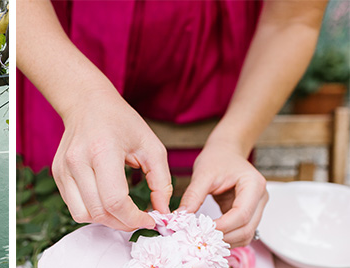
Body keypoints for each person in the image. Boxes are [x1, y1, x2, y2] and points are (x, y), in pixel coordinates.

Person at [17, 0, 328, 247]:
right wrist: (82, 99)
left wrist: (232, 141)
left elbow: (293, 20)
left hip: (204, 67)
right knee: (70, 215)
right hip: (59, 50)